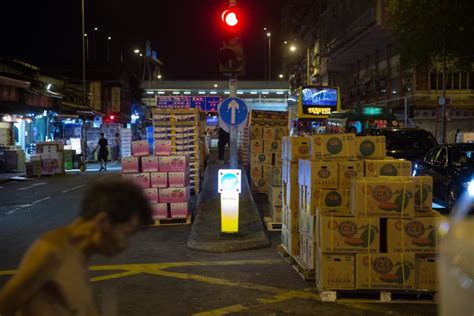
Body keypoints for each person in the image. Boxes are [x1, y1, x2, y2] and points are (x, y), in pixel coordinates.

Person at [0, 180, 153, 316]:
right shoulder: (52, 251)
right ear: (103, 221)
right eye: (126, 234)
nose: (124, 245)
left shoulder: (80, 254)